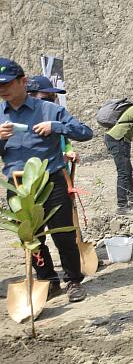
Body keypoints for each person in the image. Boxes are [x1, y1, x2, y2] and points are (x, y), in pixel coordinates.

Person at [0, 58, 93, 302]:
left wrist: (56, 127)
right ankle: (48, 281)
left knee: (62, 233)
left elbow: (85, 132)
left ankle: (73, 280)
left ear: (23, 82)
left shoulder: (50, 110)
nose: (3, 90)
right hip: (17, 184)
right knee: (31, 237)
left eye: (7, 83)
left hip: (50, 180)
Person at [27, 75, 78, 167]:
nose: (51, 100)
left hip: (60, 173)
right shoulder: (26, 120)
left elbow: (64, 141)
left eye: (52, 96)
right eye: (45, 96)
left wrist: (70, 152)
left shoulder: (55, 117)